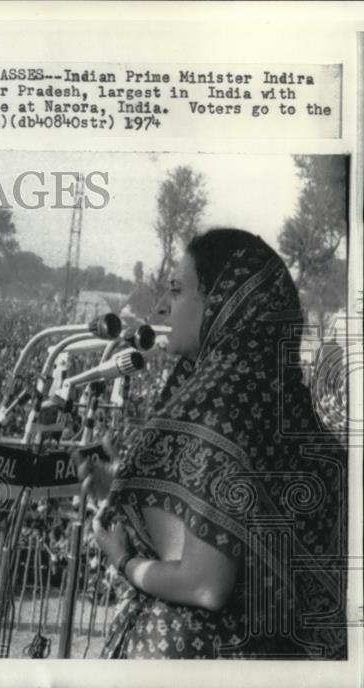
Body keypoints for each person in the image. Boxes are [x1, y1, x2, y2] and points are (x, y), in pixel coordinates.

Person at [78, 228, 346, 659]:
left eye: (178, 291)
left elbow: (206, 582)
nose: (162, 307)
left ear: (222, 307)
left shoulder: (226, 405)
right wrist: (120, 490)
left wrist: (126, 562)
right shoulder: (277, 397)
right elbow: (215, 534)